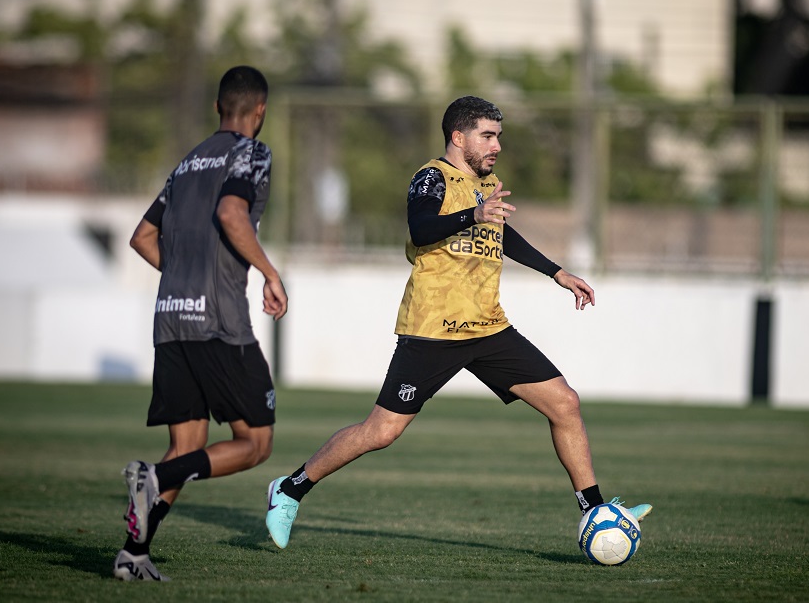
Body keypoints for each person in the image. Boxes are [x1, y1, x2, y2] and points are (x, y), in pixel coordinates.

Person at [265, 95, 650, 552]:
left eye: (499, 137)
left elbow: (502, 235)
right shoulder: (431, 177)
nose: (497, 147)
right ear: (458, 137)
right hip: (433, 330)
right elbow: (421, 227)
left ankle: (595, 511)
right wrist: (474, 214)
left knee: (564, 403)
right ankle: (289, 489)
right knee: (381, 432)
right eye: (488, 136)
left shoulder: (488, 187)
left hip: (488, 328)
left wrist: (556, 272)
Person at [114, 65, 288, 581]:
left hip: (170, 320)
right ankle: (154, 477)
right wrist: (269, 272)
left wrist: (186, 274)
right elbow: (234, 214)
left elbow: (143, 238)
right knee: (256, 443)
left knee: (186, 445)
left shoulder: (188, 163)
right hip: (218, 320)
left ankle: (133, 554)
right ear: (260, 111)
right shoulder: (252, 152)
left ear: (218, 108)